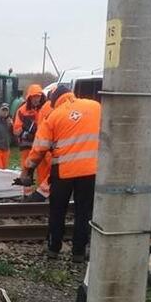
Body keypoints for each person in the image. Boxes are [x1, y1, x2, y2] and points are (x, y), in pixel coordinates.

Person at [19, 85, 101, 262]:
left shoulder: (54, 115)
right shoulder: (95, 107)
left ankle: (53, 249)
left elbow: (39, 148)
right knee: (84, 212)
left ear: (55, 100)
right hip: (90, 171)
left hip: (63, 172)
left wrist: (28, 170)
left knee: (57, 211)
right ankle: (79, 252)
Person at [13, 84, 45, 169]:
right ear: (29, 97)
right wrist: (26, 133)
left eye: (38, 96)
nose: (36, 99)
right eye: (33, 96)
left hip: (41, 144)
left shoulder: (45, 108)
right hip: (26, 144)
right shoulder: (22, 110)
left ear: (41, 97)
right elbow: (16, 130)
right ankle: (25, 180)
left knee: (43, 168)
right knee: (26, 168)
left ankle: (42, 182)